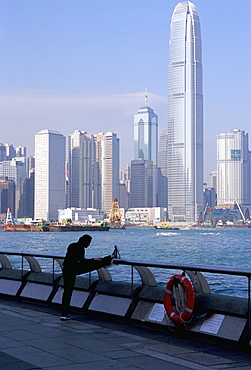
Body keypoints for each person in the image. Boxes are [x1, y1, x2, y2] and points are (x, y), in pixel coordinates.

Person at [60, 234, 120, 320]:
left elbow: (74, 259)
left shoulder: (72, 245)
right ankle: (110, 258)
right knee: (95, 264)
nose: (89, 245)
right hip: (75, 269)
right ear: (86, 243)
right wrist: (93, 260)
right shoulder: (80, 249)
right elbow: (81, 261)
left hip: (66, 269)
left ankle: (64, 314)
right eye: (89, 243)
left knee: (67, 292)